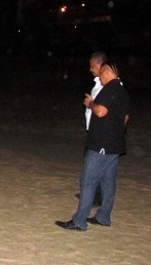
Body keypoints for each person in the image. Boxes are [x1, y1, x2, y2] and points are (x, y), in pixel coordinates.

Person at [55, 61, 130, 231]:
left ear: (109, 72)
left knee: (88, 181)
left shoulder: (110, 89)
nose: (100, 77)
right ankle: (103, 217)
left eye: (102, 73)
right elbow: (125, 119)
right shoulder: (123, 92)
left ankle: (79, 221)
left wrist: (90, 103)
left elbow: (101, 111)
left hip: (102, 145)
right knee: (108, 182)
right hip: (115, 145)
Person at [81, 51, 109, 206]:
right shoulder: (98, 85)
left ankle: (93, 199)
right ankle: (93, 196)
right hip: (92, 130)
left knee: (94, 170)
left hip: (100, 133)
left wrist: (90, 104)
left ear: (100, 65)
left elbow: (102, 111)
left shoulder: (109, 86)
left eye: (92, 66)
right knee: (92, 166)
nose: (90, 69)